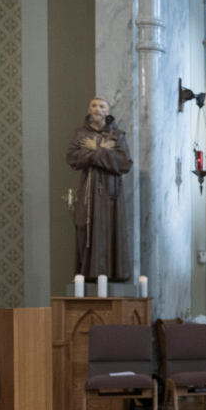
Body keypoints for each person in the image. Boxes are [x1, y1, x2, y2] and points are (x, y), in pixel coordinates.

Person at [66, 97, 133, 280]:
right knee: (85, 227)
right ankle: (88, 274)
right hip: (88, 188)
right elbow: (72, 158)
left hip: (111, 192)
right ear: (89, 110)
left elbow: (124, 163)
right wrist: (103, 151)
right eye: (93, 106)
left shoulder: (117, 135)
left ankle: (113, 273)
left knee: (109, 227)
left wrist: (94, 150)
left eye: (101, 106)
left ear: (107, 112)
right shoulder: (80, 134)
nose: (97, 109)